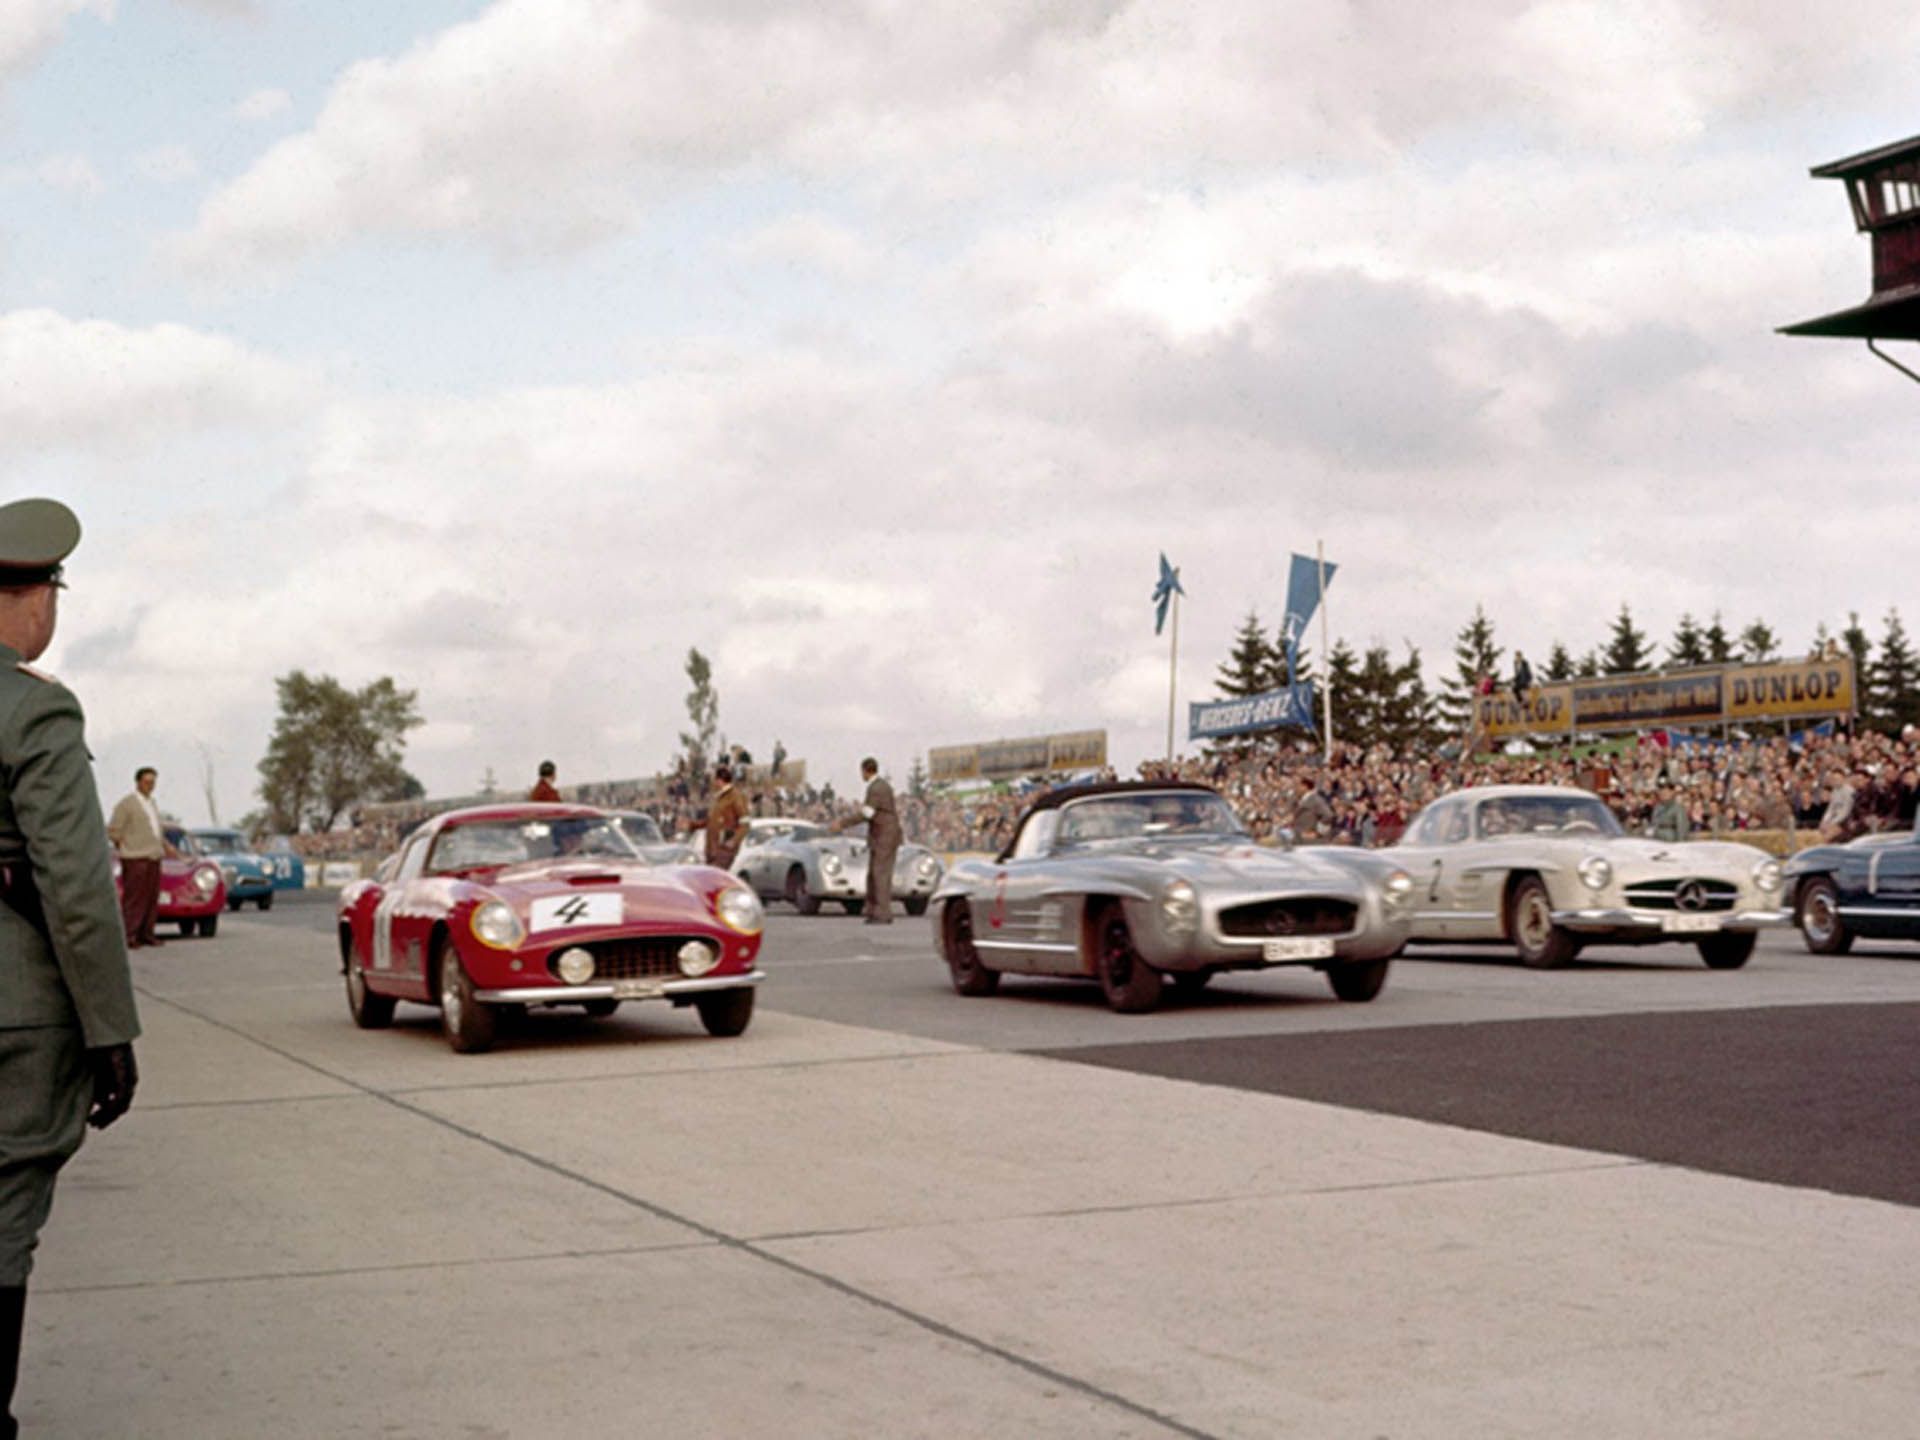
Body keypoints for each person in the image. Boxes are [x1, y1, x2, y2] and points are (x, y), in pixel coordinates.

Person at [0, 498, 141, 1437]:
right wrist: (112, 1032)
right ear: (27, 597)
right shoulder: (35, 707)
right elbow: (78, 890)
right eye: (52, 587)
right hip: (17, 1011)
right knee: (5, 1218)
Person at [106, 766, 179, 949]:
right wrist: (126, 846)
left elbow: (155, 830)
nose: (150, 786)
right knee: (134, 898)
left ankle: (147, 933)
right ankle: (129, 935)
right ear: (138, 782)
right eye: (146, 782)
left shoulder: (152, 804)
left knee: (151, 897)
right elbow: (114, 830)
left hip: (153, 856)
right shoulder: (126, 804)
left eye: (153, 783)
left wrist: (166, 845)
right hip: (135, 856)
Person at [834, 757, 901, 924]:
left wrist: (842, 823)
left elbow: (867, 813)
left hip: (884, 836)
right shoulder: (880, 786)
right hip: (882, 836)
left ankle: (882, 913)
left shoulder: (876, 788)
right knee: (874, 874)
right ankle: (873, 911)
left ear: (865, 770)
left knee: (880, 874)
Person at [704, 763, 749, 870]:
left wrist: (733, 841)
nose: (713, 783)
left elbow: (745, 823)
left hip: (724, 850)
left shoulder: (735, 796)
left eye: (715, 779)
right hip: (714, 850)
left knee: (717, 880)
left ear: (719, 780)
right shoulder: (719, 797)